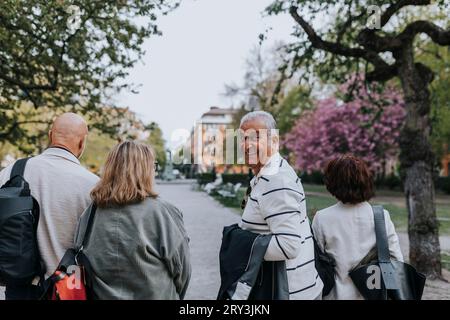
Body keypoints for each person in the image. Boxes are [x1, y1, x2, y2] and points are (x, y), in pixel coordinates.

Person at [0, 113, 99, 300]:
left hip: (18, 288)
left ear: (50, 135)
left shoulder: (12, 171)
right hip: (67, 288)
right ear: (82, 142)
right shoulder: (93, 185)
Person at [75, 141, 191, 300]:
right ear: (144, 170)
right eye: (153, 166)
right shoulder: (163, 212)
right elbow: (182, 270)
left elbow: (81, 256)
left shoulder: (91, 212)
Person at [238, 111, 323, 300]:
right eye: (243, 139)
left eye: (255, 137)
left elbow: (289, 246)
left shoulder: (276, 180)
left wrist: (239, 245)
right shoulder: (267, 175)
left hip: (289, 293)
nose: (246, 145)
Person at [312, 154, 403, 300]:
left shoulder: (322, 218)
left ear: (333, 183)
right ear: (365, 180)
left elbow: (317, 265)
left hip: (335, 295)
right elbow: (397, 260)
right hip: (373, 295)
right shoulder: (381, 216)